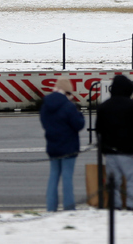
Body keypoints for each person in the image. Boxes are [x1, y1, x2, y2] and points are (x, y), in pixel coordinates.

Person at [96, 74, 133, 210]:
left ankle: (116, 206)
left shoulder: (104, 106)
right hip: (130, 151)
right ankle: (131, 205)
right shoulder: (132, 105)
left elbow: (98, 129)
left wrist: (103, 147)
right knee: (132, 180)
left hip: (110, 151)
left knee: (114, 182)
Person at [39, 77, 85, 212]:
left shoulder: (45, 105)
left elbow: (44, 123)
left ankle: (51, 207)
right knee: (67, 177)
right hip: (69, 147)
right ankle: (69, 207)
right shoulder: (69, 106)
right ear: (67, 92)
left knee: (53, 176)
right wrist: (79, 113)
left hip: (52, 146)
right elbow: (79, 124)